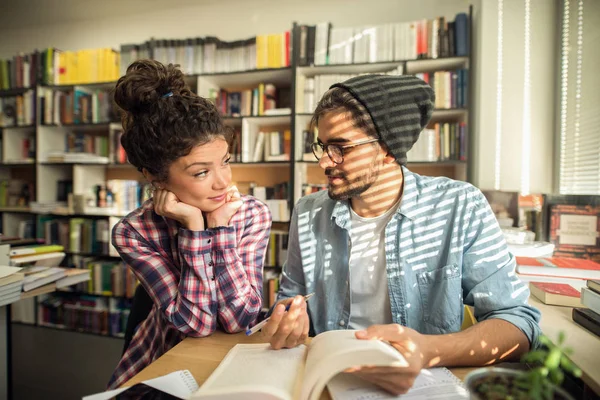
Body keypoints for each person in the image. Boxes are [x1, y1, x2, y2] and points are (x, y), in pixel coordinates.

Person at [262, 74, 541, 395]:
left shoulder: (460, 206)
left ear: (389, 149)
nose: (325, 161)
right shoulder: (309, 211)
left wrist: (429, 350)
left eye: (340, 147)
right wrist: (287, 318)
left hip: (423, 385)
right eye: (323, 147)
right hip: (329, 381)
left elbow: (518, 322)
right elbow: (290, 298)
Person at [107, 60, 272, 389]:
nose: (223, 183)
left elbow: (240, 319)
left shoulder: (252, 215)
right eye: (201, 172)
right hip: (162, 368)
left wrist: (221, 230)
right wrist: (195, 231)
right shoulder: (134, 232)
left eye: (225, 162)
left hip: (235, 364)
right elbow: (195, 324)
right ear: (155, 175)